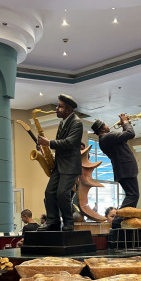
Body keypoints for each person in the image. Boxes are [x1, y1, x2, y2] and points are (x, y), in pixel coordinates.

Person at [37, 94, 83, 231]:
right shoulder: (63, 122)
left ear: (69, 109)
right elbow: (61, 145)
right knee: (49, 192)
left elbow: (69, 143)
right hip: (60, 165)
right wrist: (44, 147)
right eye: (58, 106)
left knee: (62, 193)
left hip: (70, 166)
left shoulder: (77, 122)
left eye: (60, 106)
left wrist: (49, 143)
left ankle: (68, 222)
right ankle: (53, 222)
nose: (57, 108)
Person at [91, 114, 138, 228]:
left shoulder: (105, 139)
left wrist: (124, 126)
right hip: (125, 169)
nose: (108, 126)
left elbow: (123, 138)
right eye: (105, 125)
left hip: (123, 170)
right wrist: (126, 122)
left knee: (132, 195)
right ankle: (118, 220)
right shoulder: (106, 137)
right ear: (102, 129)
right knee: (133, 195)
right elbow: (131, 134)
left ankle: (122, 219)